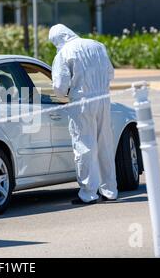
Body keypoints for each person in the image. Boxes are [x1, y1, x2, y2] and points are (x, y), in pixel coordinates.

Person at [49, 24, 118, 205]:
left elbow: (59, 86)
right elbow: (111, 73)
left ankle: (88, 194)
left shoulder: (63, 53)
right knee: (105, 144)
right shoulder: (97, 45)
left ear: (57, 39)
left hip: (81, 103)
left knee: (84, 146)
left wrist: (62, 96)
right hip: (103, 98)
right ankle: (110, 191)